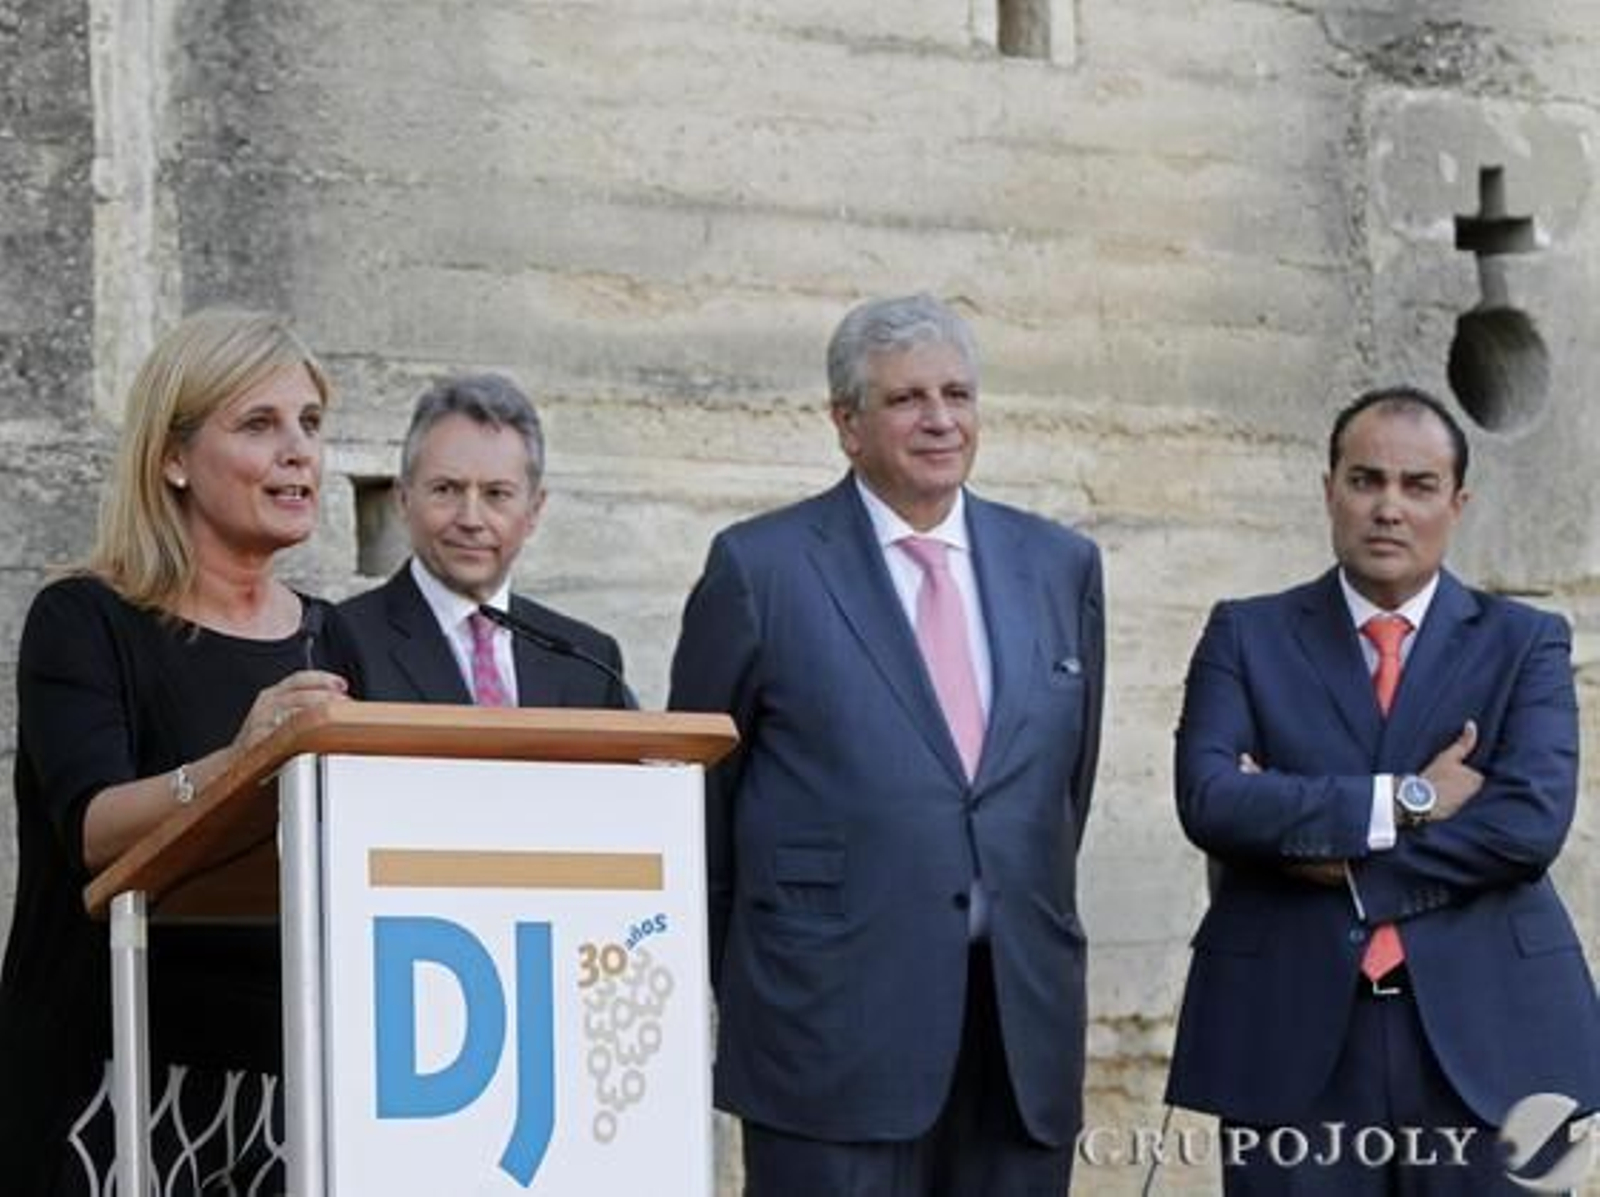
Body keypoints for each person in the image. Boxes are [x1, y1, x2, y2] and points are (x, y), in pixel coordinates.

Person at [669, 293, 1104, 1196]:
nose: (940, 419)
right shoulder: (760, 569)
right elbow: (698, 804)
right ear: (847, 423)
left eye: (958, 393)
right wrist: (758, 977)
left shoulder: (1058, 565)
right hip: (829, 1034)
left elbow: (1063, 791)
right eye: (907, 398)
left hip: (1016, 1031)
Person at [1166, 385, 1600, 1194]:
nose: (1388, 508)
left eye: (1418, 485)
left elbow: (1527, 824)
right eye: (1365, 480)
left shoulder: (1525, 642)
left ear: (1458, 502)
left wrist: (1341, 865)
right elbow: (1213, 799)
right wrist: (1407, 800)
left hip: (1492, 1039)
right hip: (1290, 1035)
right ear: (1328, 489)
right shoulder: (1246, 633)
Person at [0, 309, 353, 1195]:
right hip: (109, 1081)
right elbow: (93, 829)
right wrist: (240, 762)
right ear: (173, 456)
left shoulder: (335, 640)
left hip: (286, 1089)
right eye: (258, 424)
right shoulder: (85, 620)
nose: (297, 451)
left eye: (309, 424)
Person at [338, 373, 628, 708]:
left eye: (497, 494)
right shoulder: (342, 642)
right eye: (445, 490)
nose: (471, 520)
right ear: (403, 499)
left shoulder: (589, 661)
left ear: (534, 510)